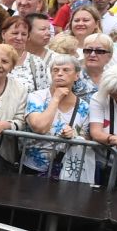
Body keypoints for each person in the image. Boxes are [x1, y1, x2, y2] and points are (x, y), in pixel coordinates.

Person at [24, 53, 95, 183]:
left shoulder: (84, 106)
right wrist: (55, 98)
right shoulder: (37, 97)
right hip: (33, 169)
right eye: (55, 70)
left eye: (66, 70)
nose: (60, 73)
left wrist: (74, 134)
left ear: (76, 75)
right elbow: (39, 127)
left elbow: (87, 137)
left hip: (66, 170)